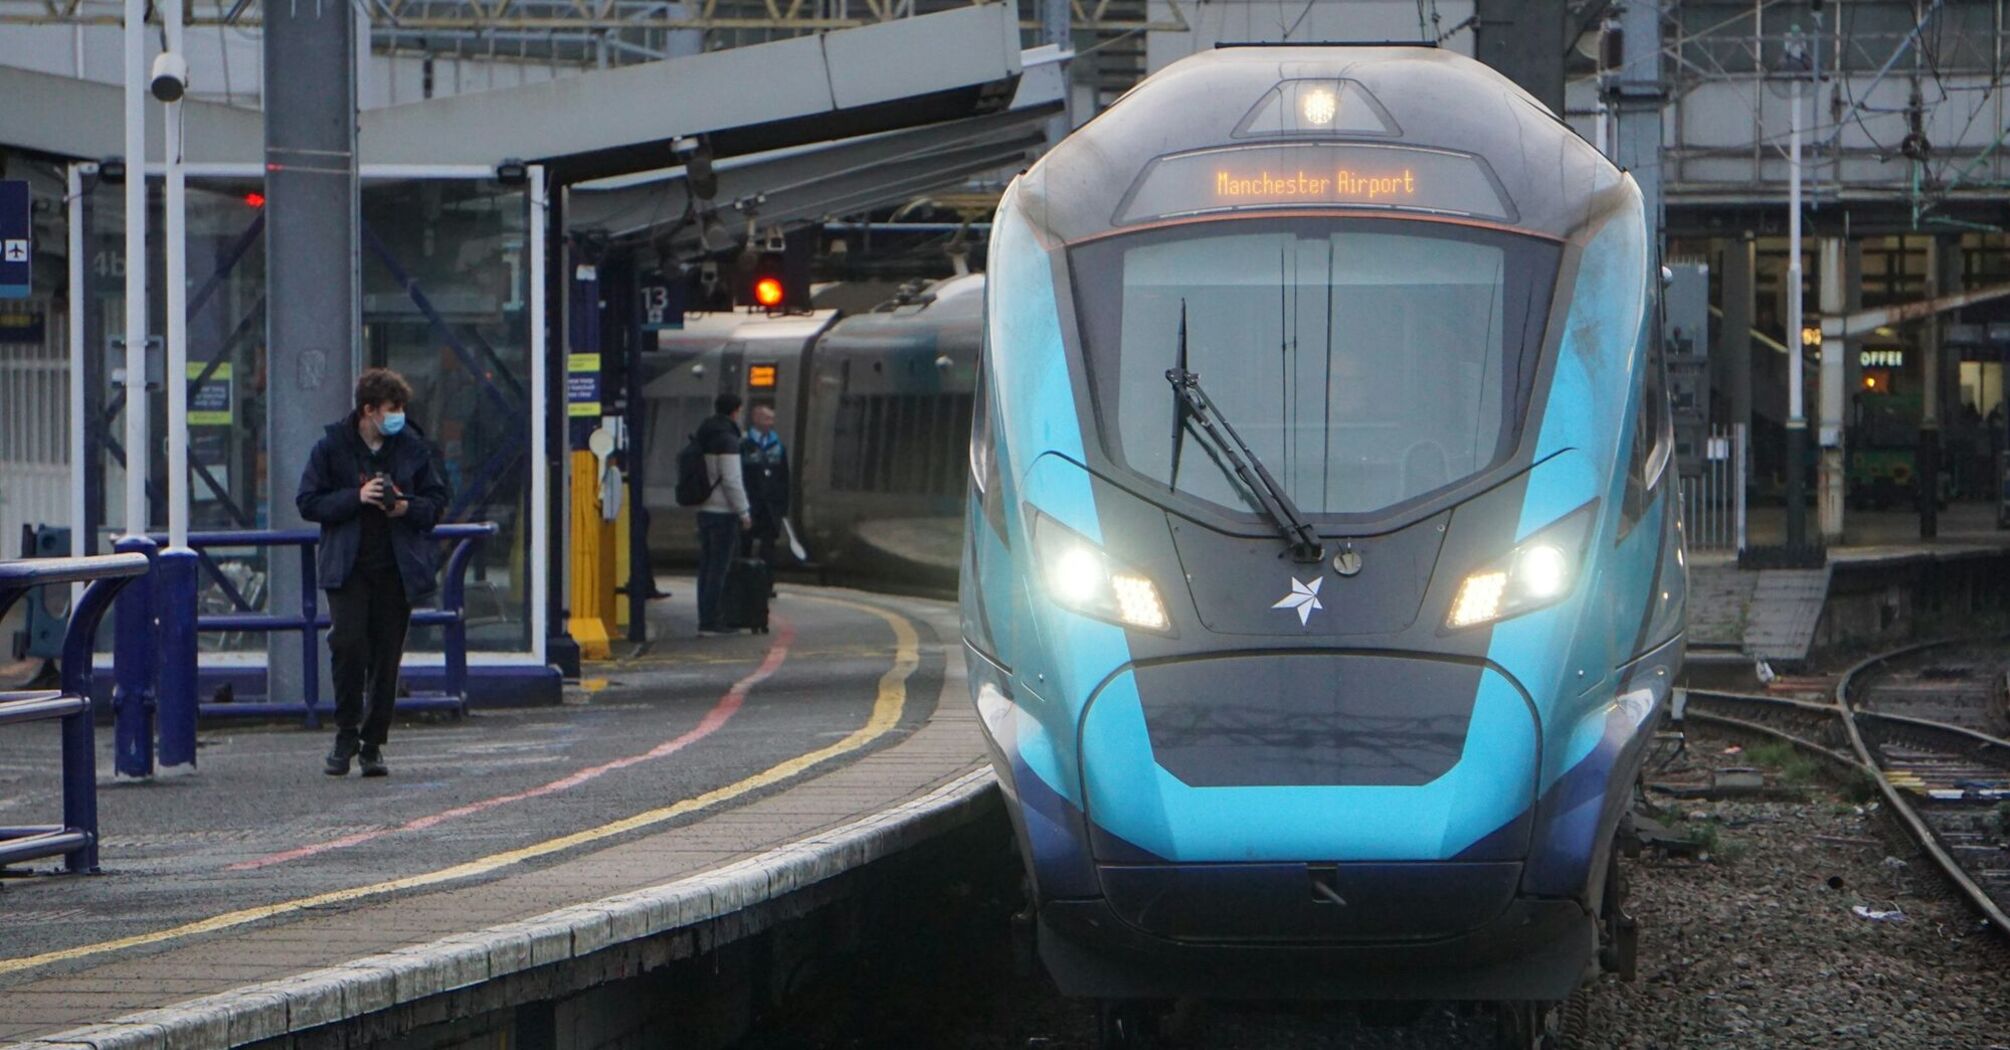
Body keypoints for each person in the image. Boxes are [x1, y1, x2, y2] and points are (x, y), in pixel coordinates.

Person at [297, 368, 451, 777]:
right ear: (368, 410)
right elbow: (308, 501)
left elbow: (436, 502)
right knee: (347, 643)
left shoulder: (413, 448)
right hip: (348, 567)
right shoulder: (332, 447)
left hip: (396, 569)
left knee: (386, 656)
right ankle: (345, 732)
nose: (398, 416)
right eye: (392, 408)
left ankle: (372, 743)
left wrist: (403, 506)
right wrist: (356, 497)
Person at [694, 393, 752, 634]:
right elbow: (731, 480)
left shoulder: (703, 434)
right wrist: (744, 511)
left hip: (704, 509)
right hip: (722, 512)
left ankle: (705, 617)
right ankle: (712, 620)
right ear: (735, 411)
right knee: (719, 568)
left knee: (706, 567)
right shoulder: (727, 440)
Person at [740, 404, 790, 564]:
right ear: (755, 419)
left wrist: (782, 506)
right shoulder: (744, 445)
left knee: (768, 549)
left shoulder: (778, 447)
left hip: (770, 507)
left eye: (772, 419)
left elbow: (783, 478)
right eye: (766, 418)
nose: (770, 423)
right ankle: (742, 582)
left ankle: (764, 582)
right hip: (750, 504)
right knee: (743, 545)